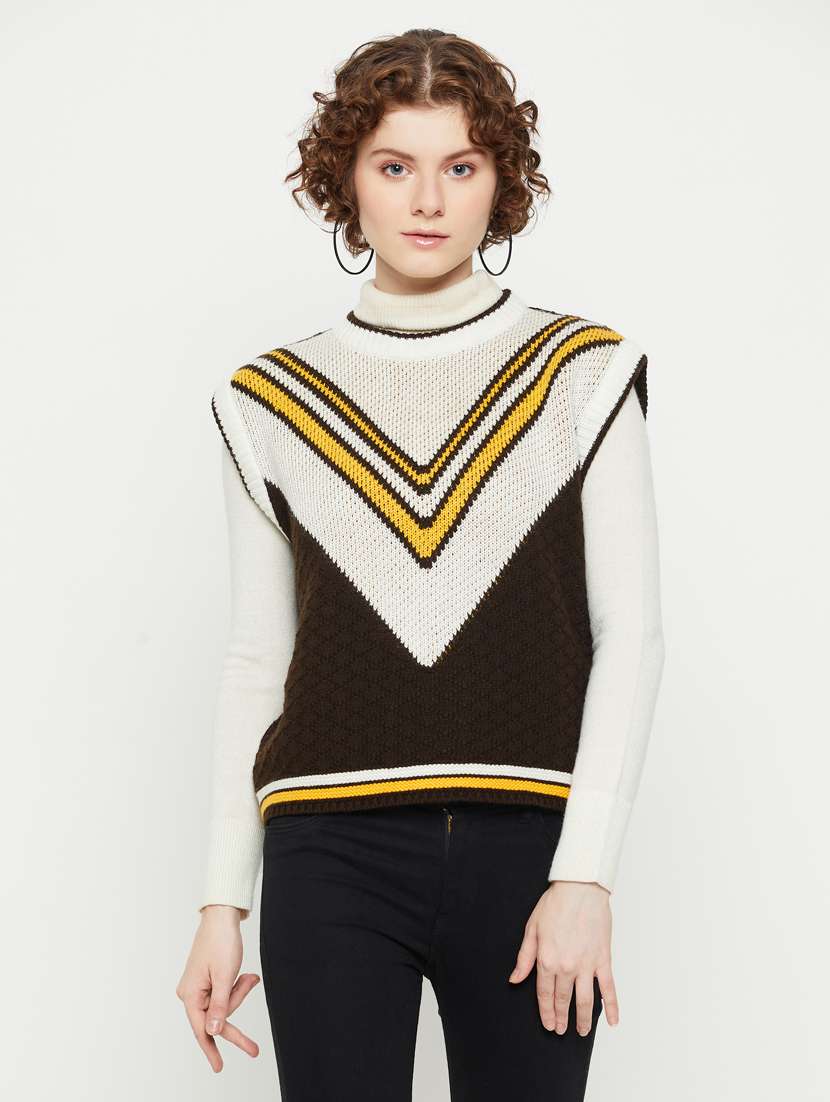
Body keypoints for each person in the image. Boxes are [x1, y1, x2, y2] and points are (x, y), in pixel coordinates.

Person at [176, 28, 665, 1102]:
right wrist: (222, 901)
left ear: (502, 180)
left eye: (461, 165)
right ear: (346, 179)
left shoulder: (583, 373)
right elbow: (258, 658)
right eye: (394, 166)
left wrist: (585, 875)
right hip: (327, 855)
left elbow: (629, 634)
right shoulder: (266, 402)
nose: (429, 201)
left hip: (529, 851)